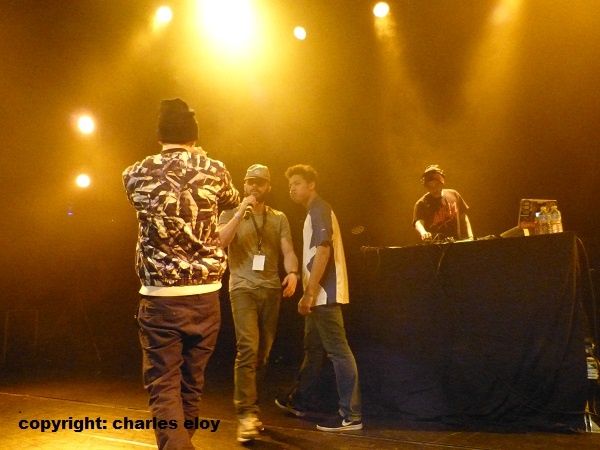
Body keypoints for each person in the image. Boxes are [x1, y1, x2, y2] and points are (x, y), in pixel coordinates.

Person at [122, 98, 239, 450]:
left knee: (164, 386)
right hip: (205, 295)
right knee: (191, 384)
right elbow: (232, 199)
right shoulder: (214, 170)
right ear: (193, 135)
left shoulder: (136, 173)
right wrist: (200, 158)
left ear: (160, 135)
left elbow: (135, 193)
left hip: (161, 299)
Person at [276, 164, 362, 432]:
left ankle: (351, 415)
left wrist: (310, 293)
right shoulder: (313, 212)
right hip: (318, 296)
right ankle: (300, 400)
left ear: (311, 185)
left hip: (324, 295)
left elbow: (323, 251)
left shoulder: (319, 209)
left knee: (338, 351)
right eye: (290, 185)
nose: (292, 189)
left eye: (297, 183)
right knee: (313, 349)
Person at [217, 164, 299, 443]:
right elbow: (220, 241)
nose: (254, 186)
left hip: (270, 289)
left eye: (260, 183)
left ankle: (253, 410)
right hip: (242, 288)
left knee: (263, 354)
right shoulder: (230, 213)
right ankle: (245, 414)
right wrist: (241, 211)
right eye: (250, 182)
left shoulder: (278, 217)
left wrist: (292, 272)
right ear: (244, 184)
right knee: (248, 348)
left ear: (268, 187)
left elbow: (288, 249)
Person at [413, 164, 473, 241]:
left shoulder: (454, 194)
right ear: (426, 186)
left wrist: (470, 236)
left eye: (436, 185)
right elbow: (418, 222)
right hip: (435, 245)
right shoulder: (421, 203)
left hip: (458, 243)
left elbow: (464, 217)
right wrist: (423, 232)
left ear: (442, 183)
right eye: (430, 186)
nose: (434, 189)